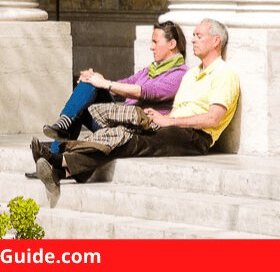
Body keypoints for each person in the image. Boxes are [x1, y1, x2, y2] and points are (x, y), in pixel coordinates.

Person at [35, 18, 240, 208]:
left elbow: (214, 118)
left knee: (129, 139)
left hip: (196, 136)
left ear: (216, 41)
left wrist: (169, 122)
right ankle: (62, 166)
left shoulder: (224, 73)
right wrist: (164, 119)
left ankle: (57, 158)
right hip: (172, 125)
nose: (193, 39)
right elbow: (169, 105)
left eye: (199, 36)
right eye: (193, 35)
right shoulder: (193, 74)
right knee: (121, 132)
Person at [38, 20, 188, 152]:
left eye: (155, 42)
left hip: (133, 127)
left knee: (89, 92)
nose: (151, 47)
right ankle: (62, 130)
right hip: (119, 117)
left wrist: (104, 83)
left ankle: (56, 149)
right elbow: (125, 84)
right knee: (88, 85)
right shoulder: (151, 69)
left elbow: (145, 92)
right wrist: (98, 79)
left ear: (172, 44)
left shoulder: (180, 74)